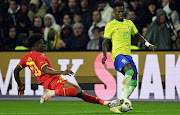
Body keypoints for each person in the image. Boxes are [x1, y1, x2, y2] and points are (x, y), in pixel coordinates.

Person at [14, 34, 123, 113]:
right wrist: (62, 71)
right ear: (37, 45)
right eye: (42, 44)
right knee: (77, 90)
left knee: (81, 93)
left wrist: (20, 85)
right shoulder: (40, 55)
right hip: (52, 81)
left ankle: (107, 104)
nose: (44, 46)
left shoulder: (26, 57)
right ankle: (50, 93)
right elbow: (46, 70)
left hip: (46, 82)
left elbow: (16, 70)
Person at [102, 2, 156, 112]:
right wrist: (104, 55)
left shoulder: (129, 23)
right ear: (114, 13)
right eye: (119, 12)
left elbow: (138, 36)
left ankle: (120, 101)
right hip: (118, 55)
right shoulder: (110, 25)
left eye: (122, 11)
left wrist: (148, 44)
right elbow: (105, 43)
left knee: (134, 80)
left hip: (128, 55)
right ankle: (121, 100)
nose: (121, 13)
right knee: (130, 72)